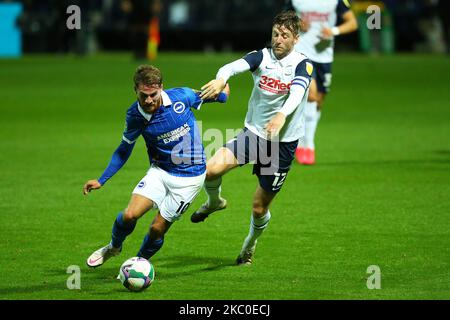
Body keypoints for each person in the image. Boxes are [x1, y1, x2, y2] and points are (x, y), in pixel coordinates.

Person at [190, 11, 313, 265]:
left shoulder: (303, 64)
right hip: (254, 135)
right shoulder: (261, 57)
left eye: (285, 35)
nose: (278, 39)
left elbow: (298, 91)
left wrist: (281, 115)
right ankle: (214, 202)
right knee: (209, 171)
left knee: (259, 207)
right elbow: (231, 67)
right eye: (275, 34)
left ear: (296, 39)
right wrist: (220, 79)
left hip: (282, 145)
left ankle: (249, 245)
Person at [84, 65, 229, 268]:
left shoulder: (182, 97)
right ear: (135, 90)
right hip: (160, 172)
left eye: (153, 94)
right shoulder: (135, 116)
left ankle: (138, 264)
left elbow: (220, 96)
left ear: (161, 87)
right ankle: (113, 247)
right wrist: (101, 179)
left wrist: (223, 88)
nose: (149, 100)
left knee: (156, 229)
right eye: (144, 95)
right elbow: (123, 150)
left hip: (190, 179)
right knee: (129, 215)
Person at [284, 0, 358, 165]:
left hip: (324, 54)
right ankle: (307, 147)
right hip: (301, 53)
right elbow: (282, 18)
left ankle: (301, 140)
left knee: (318, 101)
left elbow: (352, 23)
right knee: (311, 95)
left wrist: (333, 30)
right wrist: (296, 22)